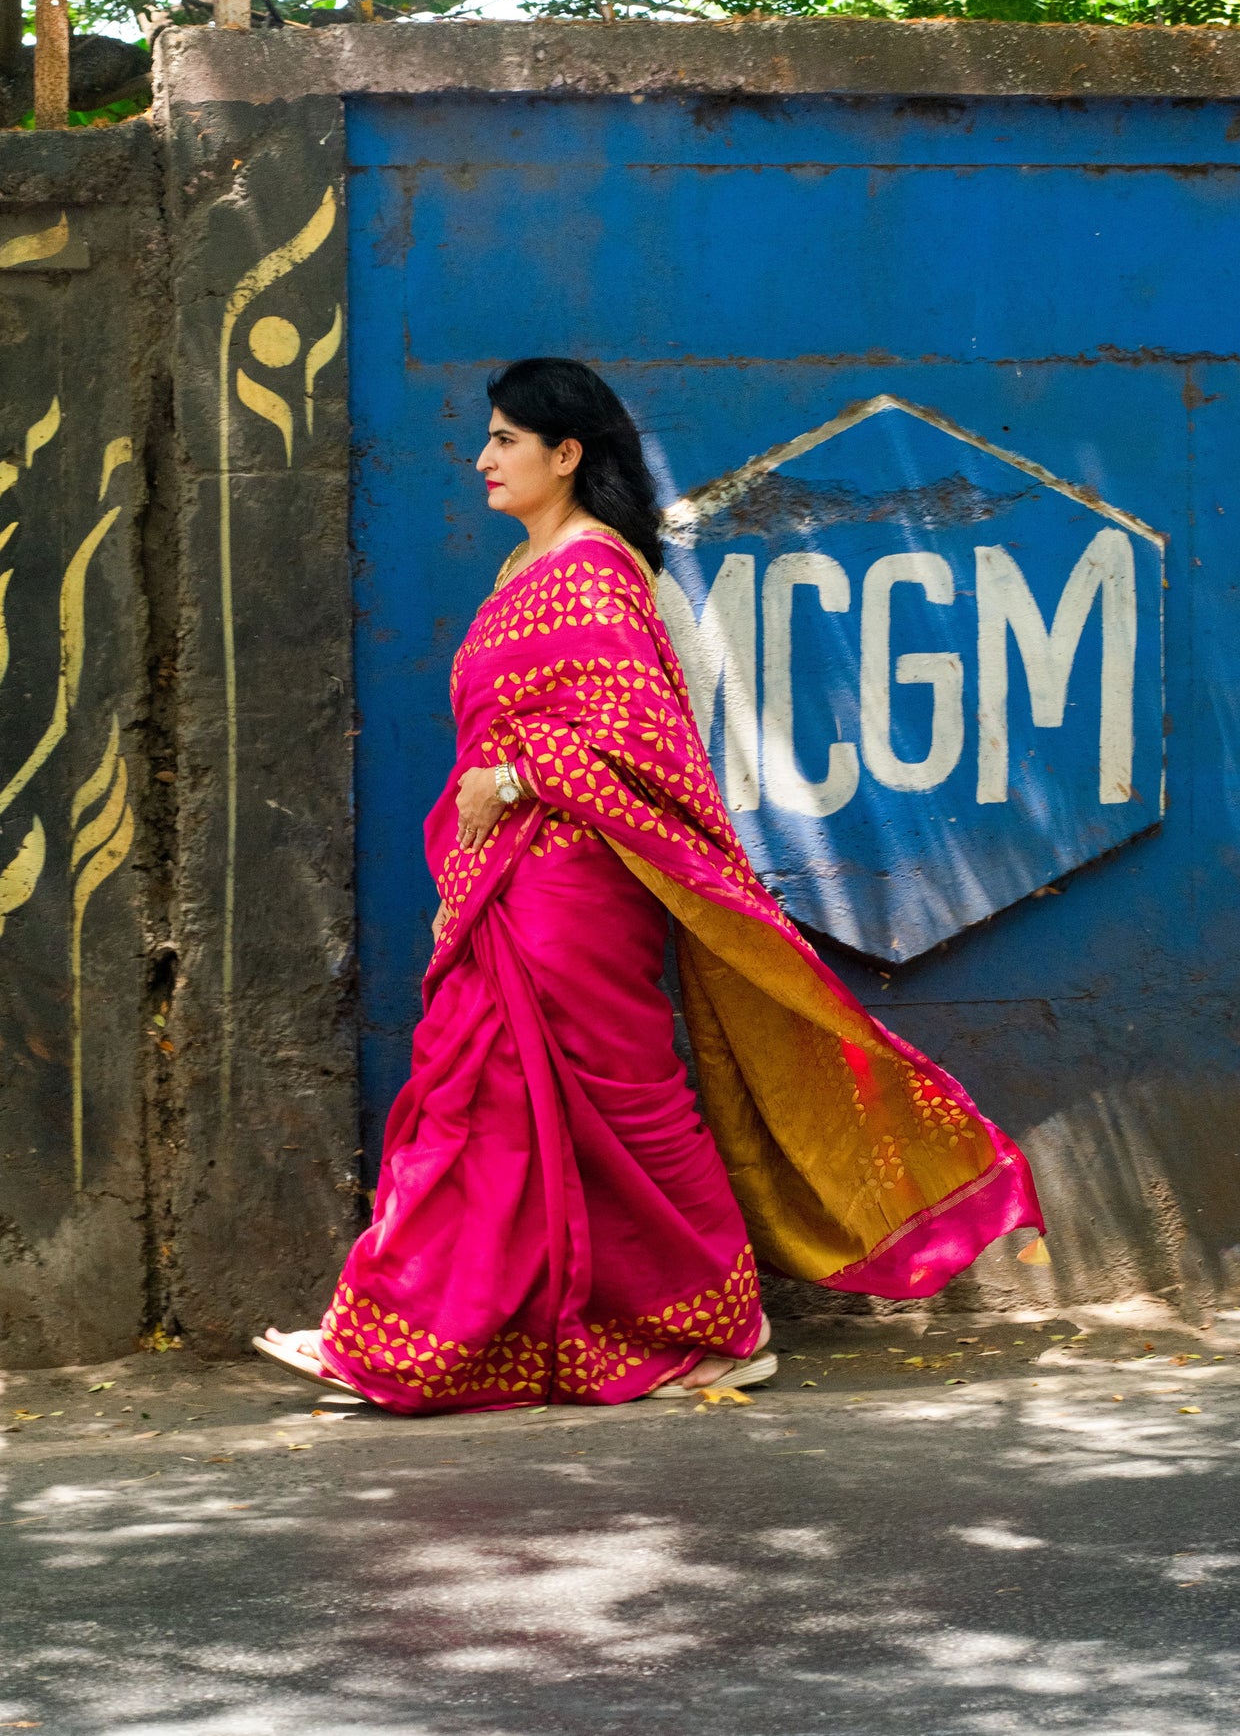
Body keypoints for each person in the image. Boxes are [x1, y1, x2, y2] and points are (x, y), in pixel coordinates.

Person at [255, 358, 1043, 1414]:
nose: (481, 458)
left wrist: (519, 774)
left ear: (565, 453)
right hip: (505, 881)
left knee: (624, 1103)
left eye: (503, 440)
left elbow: (639, 739)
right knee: (475, 1099)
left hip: (579, 878)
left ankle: (722, 1326)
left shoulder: (595, 567)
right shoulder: (519, 573)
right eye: (485, 439)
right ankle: (401, 1331)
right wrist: (475, 840)